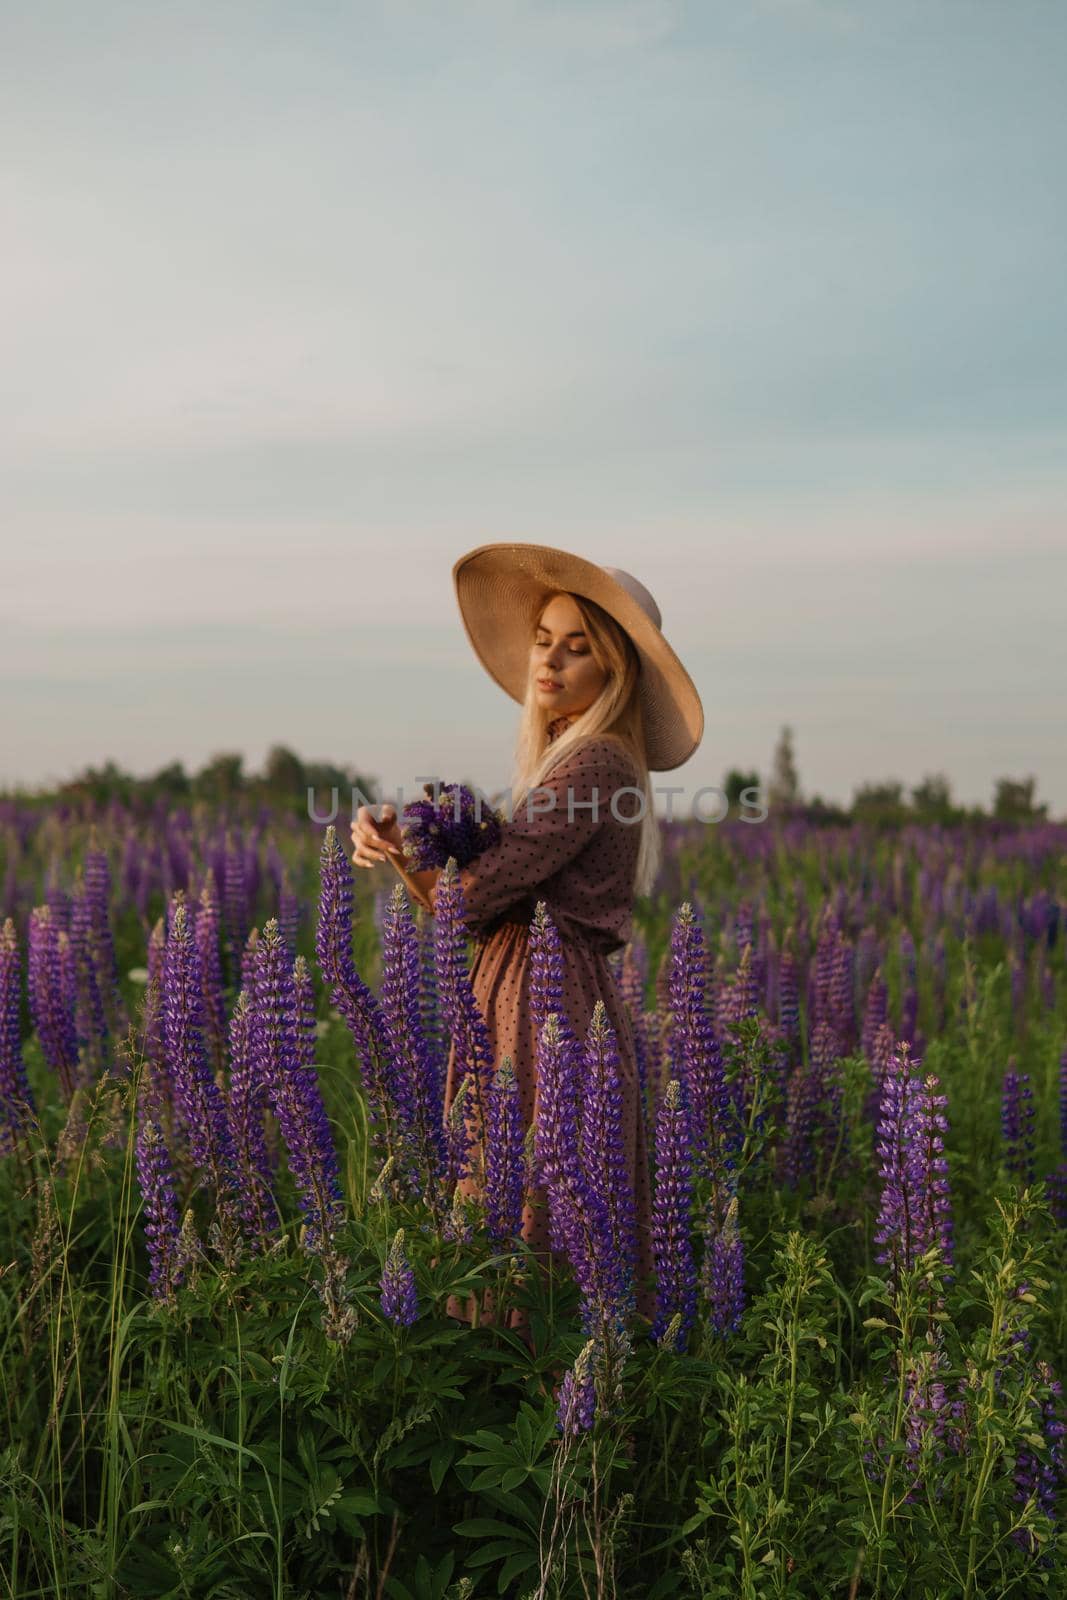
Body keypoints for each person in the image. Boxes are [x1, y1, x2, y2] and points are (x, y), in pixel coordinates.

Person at [350, 543, 704, 1349]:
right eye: (545, 637)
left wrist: (408, 849)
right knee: (511, 1195)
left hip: (545, 1003)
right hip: (526, 988)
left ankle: (543, 1409)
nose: (552, 657)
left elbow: (475, 896)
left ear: (613, 668)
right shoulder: (571, 757)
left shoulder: (596, 762)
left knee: (530, 1209)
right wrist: (406, 838)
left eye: (580, 645)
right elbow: (479, 892)